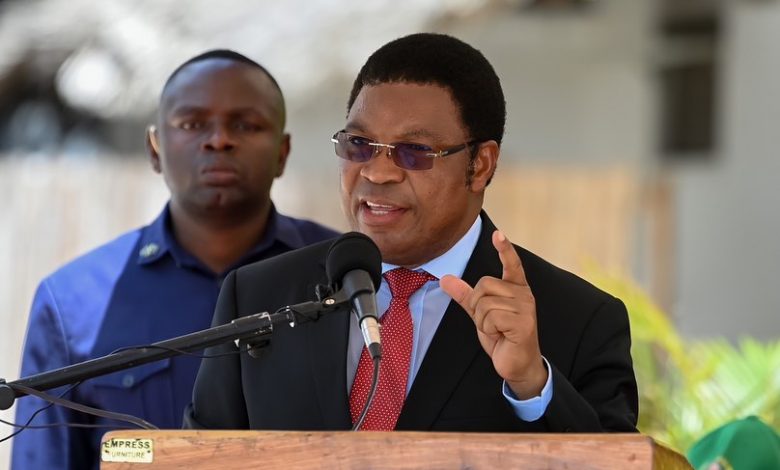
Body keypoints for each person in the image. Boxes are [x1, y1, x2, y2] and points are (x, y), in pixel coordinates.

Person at [184, 34, 638, 433]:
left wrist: (532, 384)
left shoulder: (578, 320)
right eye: (359, 144)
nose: (377, 172)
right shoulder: (258, 296)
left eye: (414, 151)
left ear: (480, 165)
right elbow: (199, 454)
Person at [11, 50, 339, 470]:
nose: (219, 140)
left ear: (282, 152)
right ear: (154, 149)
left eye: (245, 124)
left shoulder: (345, 277)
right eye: (192, 124)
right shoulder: (72, 302)